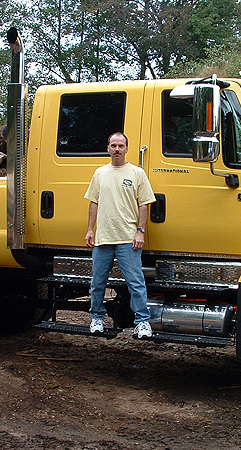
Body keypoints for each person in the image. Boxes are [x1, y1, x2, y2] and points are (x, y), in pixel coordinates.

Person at [84, 132, 156, 339]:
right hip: (103, 238)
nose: (117, 149)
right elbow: (94, 203)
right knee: (97, 283)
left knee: (135, 283)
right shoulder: (100, 173)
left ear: (126, 149)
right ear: (108, 148)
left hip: (128, 239)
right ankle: (96, 318)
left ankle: (142, 322)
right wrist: (90, 229)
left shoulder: (136, 173)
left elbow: (144, 204)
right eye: (113, 145)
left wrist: (140, 231)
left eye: (121, 146)